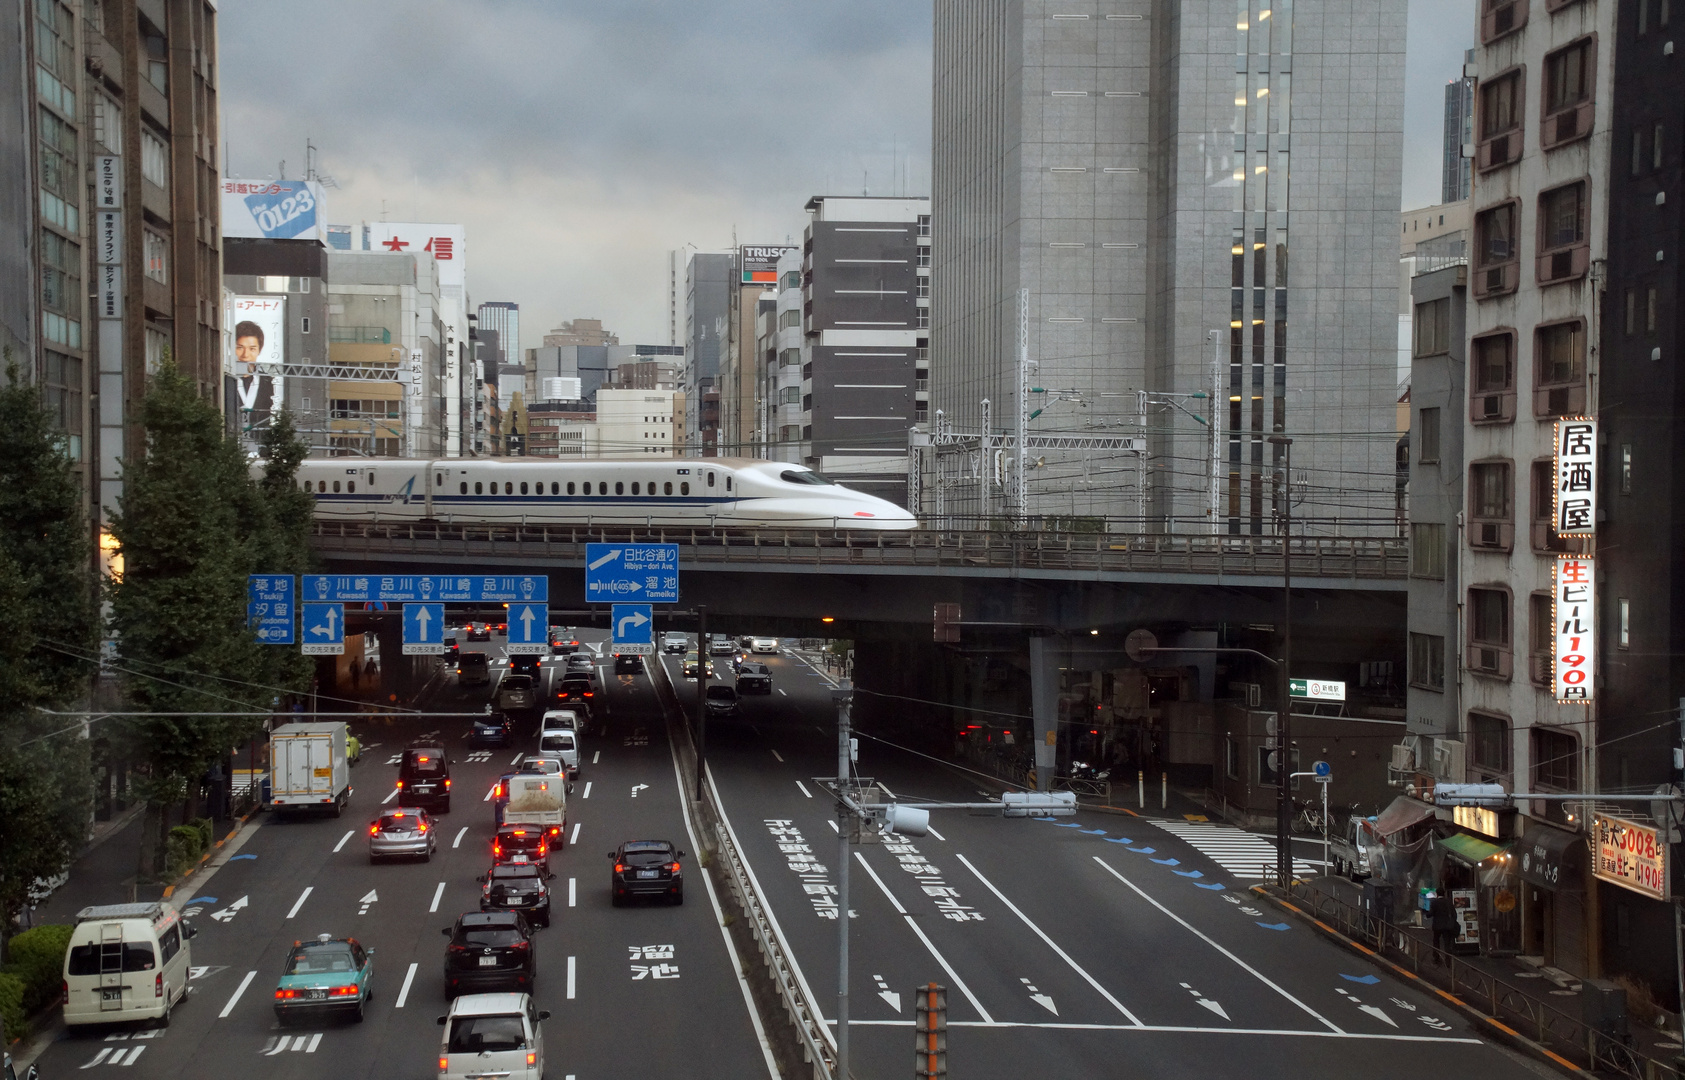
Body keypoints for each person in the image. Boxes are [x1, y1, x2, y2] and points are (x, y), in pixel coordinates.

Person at [1429, 890, 1457, 959]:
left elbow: (1430, 913)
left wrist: (1427, 914)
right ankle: (1448, 959)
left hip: (1437, 925)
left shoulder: (1434, 902)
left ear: (1437, 894)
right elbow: (1454, 914)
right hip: (1447, 925)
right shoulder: (1448, 902)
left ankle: (1436, 957)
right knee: (1447, 942)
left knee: (1436, 941)